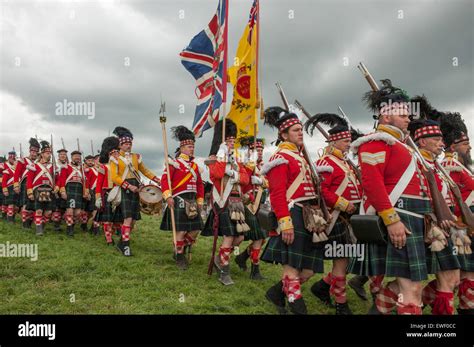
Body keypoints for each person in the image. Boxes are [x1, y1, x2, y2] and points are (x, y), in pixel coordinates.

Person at [260, 106, 327, 315]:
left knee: (307, 270)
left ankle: (277, 293)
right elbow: (277, 194)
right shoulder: (280, 157)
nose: (301, 133)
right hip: (293, 215)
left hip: (308, 216)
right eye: (296, 130)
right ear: (283, 134)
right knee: (291, 268)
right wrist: (285, 222)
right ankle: (298, 308)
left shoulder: (301, 158)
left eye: (301, 129)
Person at [304, 113, 363, 315]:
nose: (349, 144)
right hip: (336, 217)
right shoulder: (325, 162)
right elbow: (322, 191)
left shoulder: (346, 163)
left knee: (345, 262)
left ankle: (321, 287)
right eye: (346, 141)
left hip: (349, 219)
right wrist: (343, 204)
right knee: (341, 262)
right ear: (335, 141)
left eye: (349, 141)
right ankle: (341, 303)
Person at [201, 119, 250, 285]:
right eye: (228, 141)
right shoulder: (215, 157)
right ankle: (224, 270)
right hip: (223, 200)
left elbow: (245, 178)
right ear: (222, 141)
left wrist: (234, 173)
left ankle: (218, 258)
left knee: (240, 237)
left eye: (232, 141)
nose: (231, 143)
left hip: (236, 200)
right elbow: (217, 174)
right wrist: (222, 155)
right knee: (229, 236)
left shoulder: (237, 158)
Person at [439, 111, 474, 314]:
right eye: (464, 143)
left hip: (466, 227)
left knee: (467, 274)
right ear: (453, 146)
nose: (468, 147)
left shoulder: (461, 166)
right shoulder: (450, 166)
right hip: (460, 228)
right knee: (457, 277)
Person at [109, 126, 161, 256]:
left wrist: (157, 179)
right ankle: (126, 248)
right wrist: (127, 186)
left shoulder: (136, 157)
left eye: (130, 143)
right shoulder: (114, 157)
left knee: (132, 221)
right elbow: (114, 177)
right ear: (120, 145)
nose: (128, 146)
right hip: (125, 188)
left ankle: (122, 242)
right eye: (126, 144)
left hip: (137, 187)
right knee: (128, 219)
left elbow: (145, 170)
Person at [160, 126, 204, 270]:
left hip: (192, 200)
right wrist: (168, 196)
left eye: (193, 146)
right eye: (190, 147)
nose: (192, 149)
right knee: (180, 231)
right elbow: (165, 181)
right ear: (182, 147)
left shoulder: (195, 166)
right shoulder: (174, 163)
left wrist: (200, 201)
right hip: (178, 198)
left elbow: (200, 185)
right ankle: (179, 256)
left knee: (196, 229)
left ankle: (179, 248)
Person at [234, 136, 269, 280]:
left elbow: (269, 183)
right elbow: (241, 180)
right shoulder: (244, 163)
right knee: (258, 236)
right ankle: (255, 270)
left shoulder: (263, 166)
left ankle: (242, 258)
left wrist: (261, 181)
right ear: (249, 150)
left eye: (261, 150)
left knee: (261, 238)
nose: (259, 152)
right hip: (248, 205)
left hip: (259, 206)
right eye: (256, 149)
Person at [95, 136, 123, 245]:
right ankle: (109, 239)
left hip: (119, 193)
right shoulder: (104, 166)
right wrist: (98, 197)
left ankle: (122, 237)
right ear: (109, 154)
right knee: (107, 220)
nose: (115, 154)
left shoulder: (122, 167)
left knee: (119, 219)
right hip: (107, 193)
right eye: (113, 153)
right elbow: (99, 183)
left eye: (117, 152)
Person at [26, 141, 55, 236]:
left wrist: (57, 187)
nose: (49, 154)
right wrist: (30, 192)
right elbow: (29, 180)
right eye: (47, 153)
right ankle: (39, 230)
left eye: (50, 153)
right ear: (42, 154)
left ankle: (41, 225)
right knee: (39, 210)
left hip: (49, 189)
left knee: (48, 213)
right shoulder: (35, 165)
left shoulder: (53, 166)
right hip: (38, 189)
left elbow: (58, 179)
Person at [59, 150, 90, 236]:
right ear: (71, 157)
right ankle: (69, 229)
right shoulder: (66, 167)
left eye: (78, 156)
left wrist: (86, 191)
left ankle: (71, 225)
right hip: (70, 189)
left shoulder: (83, 169)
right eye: (75, 156)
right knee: (70, 210)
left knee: (77, 213)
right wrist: (62, 191)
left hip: (79, 190)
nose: (77, 157)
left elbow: (86, 181)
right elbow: (62, 180)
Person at [14, 138, 40, 229]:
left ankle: (29, 223)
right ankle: (24, 224)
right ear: (30, 151)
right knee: (25, 204)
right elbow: (16, 174)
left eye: (36, 152)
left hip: (35, 185)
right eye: (32, 151)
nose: (34, 153)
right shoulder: (23, 160)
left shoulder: (38, 162)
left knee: (33, 206)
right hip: (25, 184)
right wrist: (16, 185)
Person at [2, 151, 19, 223]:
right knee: (10, 205)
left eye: (17, 163)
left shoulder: (19, 172)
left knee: (15, 206)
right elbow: (4, 181)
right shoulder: (7, 171)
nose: (16, 164)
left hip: (17, 189)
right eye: (15, 162)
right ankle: (9, 220)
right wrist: (5, 190)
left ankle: (13, 217)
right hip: (9, 188)